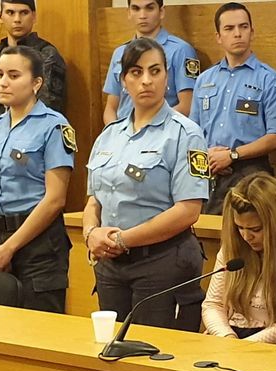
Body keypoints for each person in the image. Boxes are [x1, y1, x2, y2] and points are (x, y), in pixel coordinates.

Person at [83, 38, 209, 331]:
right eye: (136, 72)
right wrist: (90, 234)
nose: (146, 81)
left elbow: (189, 210)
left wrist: (124, 239)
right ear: (123, 80)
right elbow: (93, 201)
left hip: (162, 262)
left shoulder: (185, 134)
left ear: (167, 76)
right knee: (114, 349)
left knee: (159, 351)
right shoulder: (108, 135)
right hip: (111, 264)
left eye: (155, 71)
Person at [0, 45, 75, 313]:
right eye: (0, 74)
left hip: (38, 246)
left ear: (36, 83)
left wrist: (9, 248)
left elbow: (55, 199)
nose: (3, 82)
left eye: (14, 75)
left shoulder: (53, 125)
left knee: (39, 326)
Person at [189, 2, 276, 214]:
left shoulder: (269, 79)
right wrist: (206, 155)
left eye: (243, 27)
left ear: (252, 32)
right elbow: (191, 132)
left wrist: (232, 155)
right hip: (207, 171)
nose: (237, 34)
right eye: (229, 28)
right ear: (218, 37)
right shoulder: (204, 80)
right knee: (205, 231)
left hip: (250, 173)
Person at [202, 172, 276, 343]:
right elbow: (213, 305)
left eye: (255, 229)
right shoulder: (232, 249)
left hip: (271, 343)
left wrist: (243, 348)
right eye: (240, 228)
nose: (246, 237)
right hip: (229, 337)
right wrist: (226, 336)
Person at [0, 0, 66, 144]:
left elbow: (49, 104)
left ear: (34, 16)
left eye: (24, 13)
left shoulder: (46, 56)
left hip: (31, 142)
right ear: (0, 17)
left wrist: (10, 135)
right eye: (10, 12)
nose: (17, 19)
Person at [103, 0, 198, 124]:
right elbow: (111, 107)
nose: (142, 15)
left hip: (164, 129)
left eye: (149, 8)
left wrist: (147, 127)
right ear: (129, 13)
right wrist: (115, 131)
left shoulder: (181, 50)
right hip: (124, 130)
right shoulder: (119, 53)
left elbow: (187, 105)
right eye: (136, 9)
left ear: (161, 11)